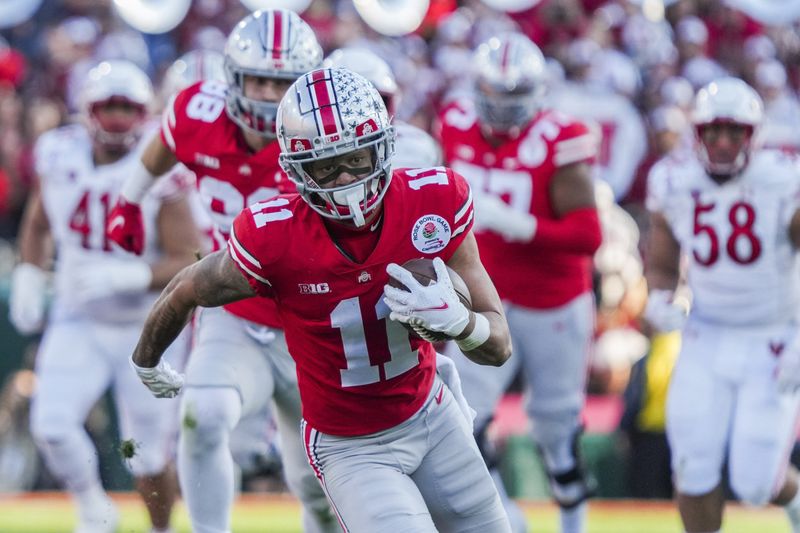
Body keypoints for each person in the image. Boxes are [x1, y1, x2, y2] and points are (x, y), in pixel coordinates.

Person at [131, 66, 514, 532]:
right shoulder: (274, 237)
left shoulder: (433, 201)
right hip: (352, 446)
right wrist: (145, 359)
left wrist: (461, 323)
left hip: (433, 416)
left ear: (382, 147)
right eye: (326, 166)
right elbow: (187, 287)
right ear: (296, 169)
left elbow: (499, 345)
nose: (346, 178)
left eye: (356, 158)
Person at [105, 10, 337, 533]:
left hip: (315, 321)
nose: (268, 96)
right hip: (235, 311)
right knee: (202, 416)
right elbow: (164, 146)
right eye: (258, 80)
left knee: (316, 483)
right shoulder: (198, 113)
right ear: (232, 77)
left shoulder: (328, 137)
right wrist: (129, 200)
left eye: (282, 83)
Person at [8, 60, 199, 533]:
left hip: (149, 326)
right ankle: (94, 510)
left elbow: (191, 257)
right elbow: (38, 221)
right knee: (52, 426)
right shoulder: (58, 153)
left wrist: (131, 275)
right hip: (78, 317)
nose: (117, 118)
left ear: (144, 112)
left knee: (148, 455)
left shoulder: (161, 163)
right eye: (108, 106)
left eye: (127, 108)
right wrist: (30, 270)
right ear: (86, 110)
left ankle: (160, 528)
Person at [436, 33, 602, 533]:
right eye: (494, 92)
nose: (503, 106)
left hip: (554, 302)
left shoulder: (559, 138)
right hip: (482, 294)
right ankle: (505, 517)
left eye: (515, 95)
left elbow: (588, 236)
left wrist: (519, 225)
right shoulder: (454, 123)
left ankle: (573, 523)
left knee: (556, 428)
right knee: (463, 417)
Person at [644, 76, 800, 533]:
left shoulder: (782, 179)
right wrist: (659, 298)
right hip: (705, 335)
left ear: (755, 135)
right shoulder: (673, 181)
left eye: (736, 131)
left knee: (756, 482)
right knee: (692, 465)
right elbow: (663, 264)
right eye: (713, 131)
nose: (724, 142)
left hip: (773, 337)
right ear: (696, 133)